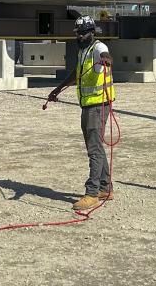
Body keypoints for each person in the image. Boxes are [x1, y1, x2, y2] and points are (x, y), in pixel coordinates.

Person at [47, 15, 115, 211]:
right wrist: (57, 89)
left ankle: (92, 193)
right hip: (88, 104)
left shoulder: (97, 48)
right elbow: (76, 74)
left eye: (84, 33)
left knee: (93, 148)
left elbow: (106, 55)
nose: (80, 36)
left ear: (92, 33)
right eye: (78, 33)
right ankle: (105, 187)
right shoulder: (83, 51)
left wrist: (105, 61)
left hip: (98, 104)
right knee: (96, 145)